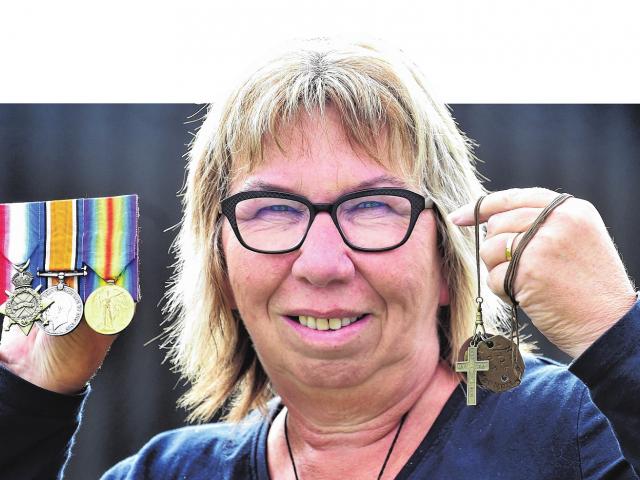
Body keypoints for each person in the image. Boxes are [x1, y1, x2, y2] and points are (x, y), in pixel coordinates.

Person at [0, 38, 638, 480]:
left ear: (448, 255)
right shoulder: (167, 471)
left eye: (373, 206)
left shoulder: (573, 432)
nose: (324, 263)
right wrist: (33, 402)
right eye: (273, 209)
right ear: (220, 268)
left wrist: (619, 339)